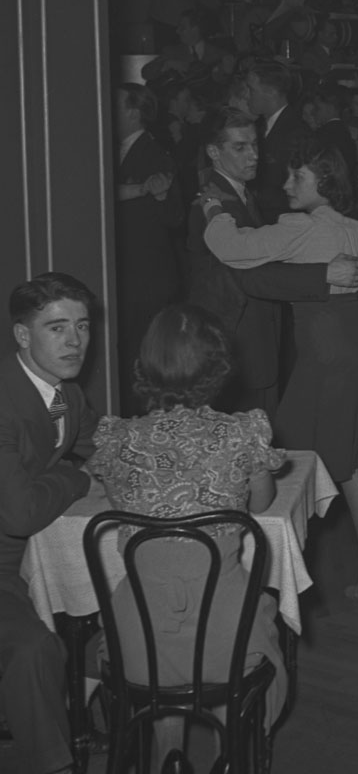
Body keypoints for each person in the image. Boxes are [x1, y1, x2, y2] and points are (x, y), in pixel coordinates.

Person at [201, 140, 358, 602]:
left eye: (298, 178)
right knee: (353, 464)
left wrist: (214, 210)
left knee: (288, 469)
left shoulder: (304, 227)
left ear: (324, 183)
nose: (287, 185)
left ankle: (286, 585)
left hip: (328, 359)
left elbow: (231, 248)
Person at [85, 304, 288, 731]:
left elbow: (118, 504)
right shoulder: (242, 433)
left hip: (139, 637)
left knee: (153, 672)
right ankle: (229, 759)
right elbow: (262, 505)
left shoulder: (118, 439)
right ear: (217, 367)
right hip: (226, 633)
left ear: (146, 365)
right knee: (243, 641)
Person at [186, 107, 355, 418]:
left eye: (255, 146)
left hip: (252, 340)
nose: (253, 156)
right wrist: (323, 275)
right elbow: (250, 276)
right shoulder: (212, 200)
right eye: (240, 147)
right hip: (235, 343)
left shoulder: (237, 192)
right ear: (213, 152)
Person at [0, 273, 98, 774]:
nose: (75, 341)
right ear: (22, 336)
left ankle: (67, 712)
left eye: (82, 326)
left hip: (30, 559)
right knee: (35, 648)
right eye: (56, 328)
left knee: (128, 596)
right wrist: (76, 477)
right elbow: (17, 513)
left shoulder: (69, 394)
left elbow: (97, 443)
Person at [114, 83, 183, 414]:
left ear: (132, 112)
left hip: (146, 278)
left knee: (145, 361)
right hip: (131, 275)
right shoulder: (117, 149)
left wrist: (160, 194)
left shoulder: (154, 153)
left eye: (115, 104)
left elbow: (175, 217)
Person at [246, 59, 311, 223]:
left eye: (251, 90)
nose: (247, 96)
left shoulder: (297, 133)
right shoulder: (259, 127)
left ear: (271, 92)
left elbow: (302, 190)